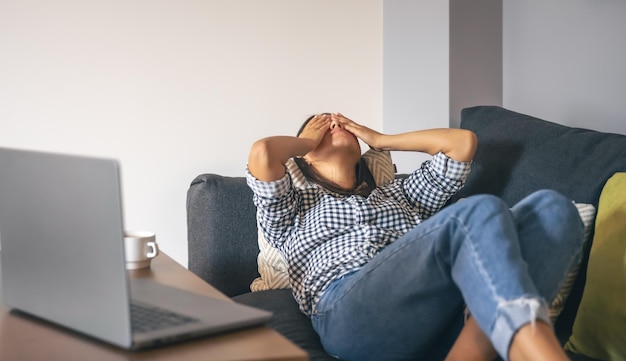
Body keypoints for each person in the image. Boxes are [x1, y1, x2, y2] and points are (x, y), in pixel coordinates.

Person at [246, 113, 584, 361]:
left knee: (554, 210)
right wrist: (306, 142)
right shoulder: (293, 208)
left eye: (340, 122)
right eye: (322, 124)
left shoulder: (400, 194)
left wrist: (380, 140)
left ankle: (474, 347)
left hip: (436, 318)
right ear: (302, 155)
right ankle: (533, 341)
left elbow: (463, 143)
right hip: (350, 314)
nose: (335, 123)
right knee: (479, 210)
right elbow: (263, 153)